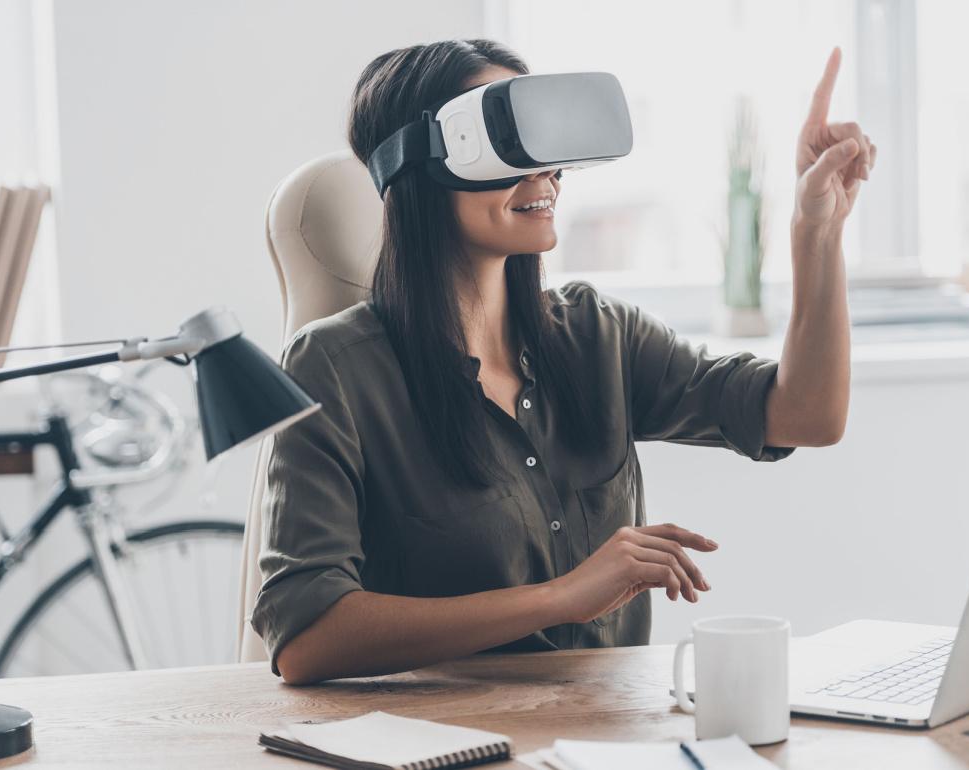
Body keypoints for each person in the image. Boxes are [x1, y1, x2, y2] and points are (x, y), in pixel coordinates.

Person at [252, 39, 875, 685]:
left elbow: (805, 416)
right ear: (423, 160)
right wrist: (565, 596)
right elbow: (304, 636)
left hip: (610, 735)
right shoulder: (333, 368)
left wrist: (817, 232)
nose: (547, 173)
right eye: (509, 142)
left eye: (548, 148)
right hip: (448, 743)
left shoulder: (594, 334)